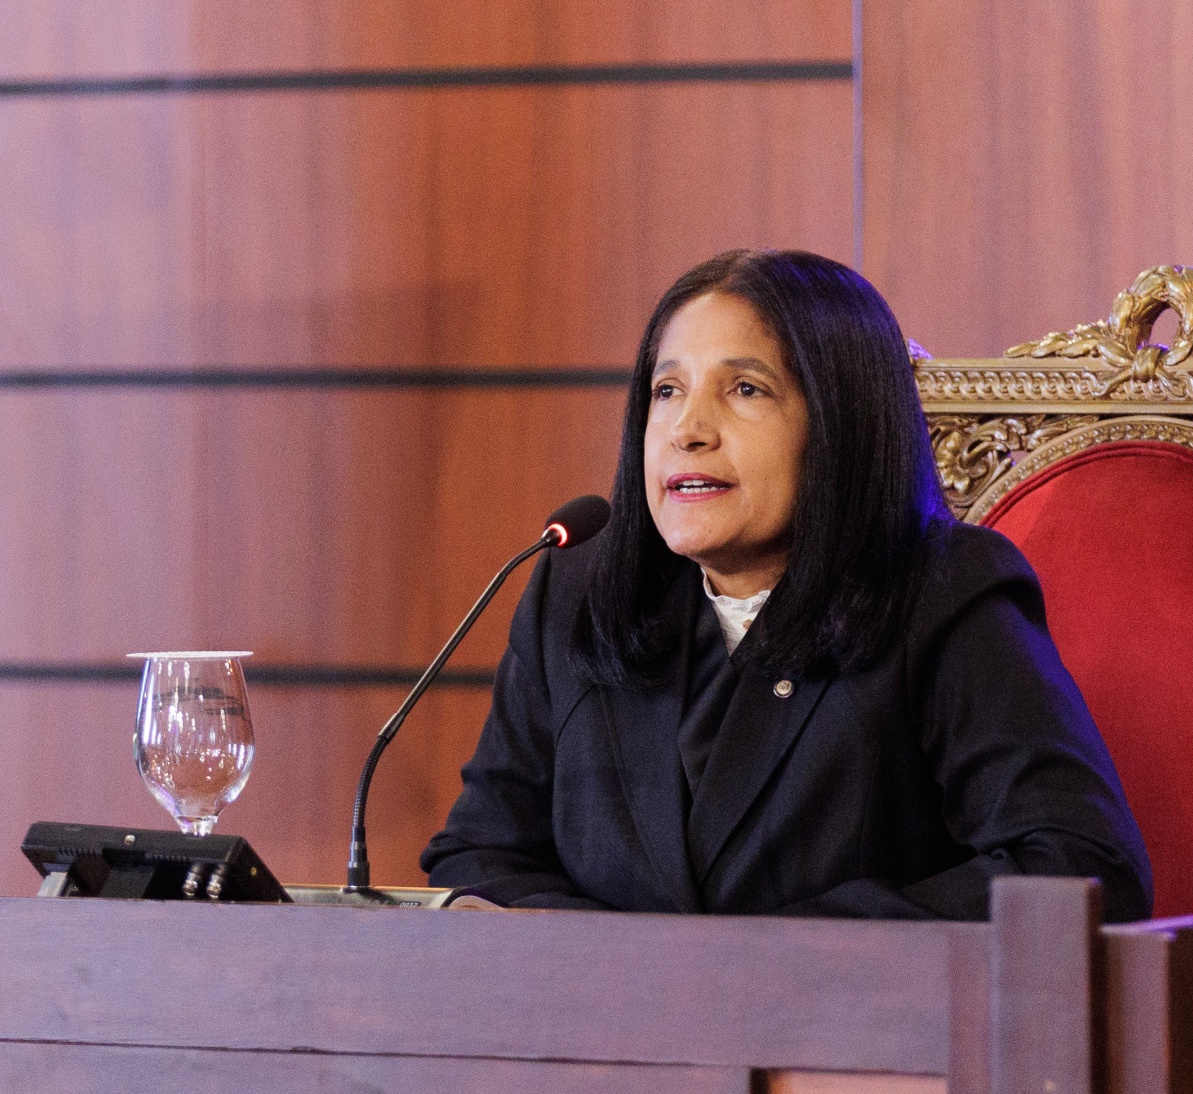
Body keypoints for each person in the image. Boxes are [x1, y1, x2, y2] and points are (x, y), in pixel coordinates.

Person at [421, 250, 1152, 920]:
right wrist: (629, 970)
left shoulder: (942, 596)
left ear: (840, 424)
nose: (687, 429)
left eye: (745, 389)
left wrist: (789, 956)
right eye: (667, 390)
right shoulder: (576, 593)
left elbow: (1080, 868)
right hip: (610, 1023)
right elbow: (480, 858)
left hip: (854, 1022)